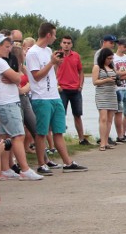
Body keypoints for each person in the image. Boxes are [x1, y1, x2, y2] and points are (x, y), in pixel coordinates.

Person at [25, 22, 88, 174]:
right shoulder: (32, 53)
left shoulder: (48, 50)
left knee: (58, 130)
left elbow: (49, 71)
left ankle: (67, 162)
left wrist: (55, 64)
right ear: (48, 35)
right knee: (41, 132)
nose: (55, 37)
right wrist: (52, 63)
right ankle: (41, 164)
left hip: (54, 95)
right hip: (41, 97)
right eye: (54, 34)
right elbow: (36, 76)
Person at [0, 33, 43, 180]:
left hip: (4, 101)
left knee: (5, 136)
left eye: (10, 46)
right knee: (18, 135)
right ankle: (24, 169)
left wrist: (14, 76)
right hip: (6, 102)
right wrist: (15, 76)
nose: (9, 49)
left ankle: (5, 168)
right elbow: (18, 78)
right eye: (6, 46)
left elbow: (16, 78)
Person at [93, 48, 119, 151]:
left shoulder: (112, 68)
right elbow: (95, 82)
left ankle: (106, 141)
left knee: (109, 120)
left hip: (112, 94)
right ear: (103, 57)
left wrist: (117, 80)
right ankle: (102, 143)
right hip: (102, 94)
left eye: (111, 58)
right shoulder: (97, 67)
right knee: (103, 118)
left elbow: (116, 78)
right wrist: (106, 80)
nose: (110, 60)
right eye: (108, 58)